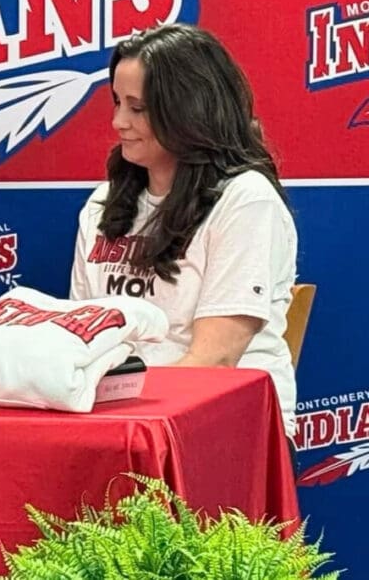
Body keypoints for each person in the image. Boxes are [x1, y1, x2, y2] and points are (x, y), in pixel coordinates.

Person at [70, 23, 298, 435]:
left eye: (138, 108)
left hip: (225, 428)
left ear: (189, 110)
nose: (119, 121)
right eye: (117, 102)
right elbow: (83, 342)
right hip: (120, 423)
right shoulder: (102, 204)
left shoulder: (246, 200)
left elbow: (214, 363)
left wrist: (128, 421)